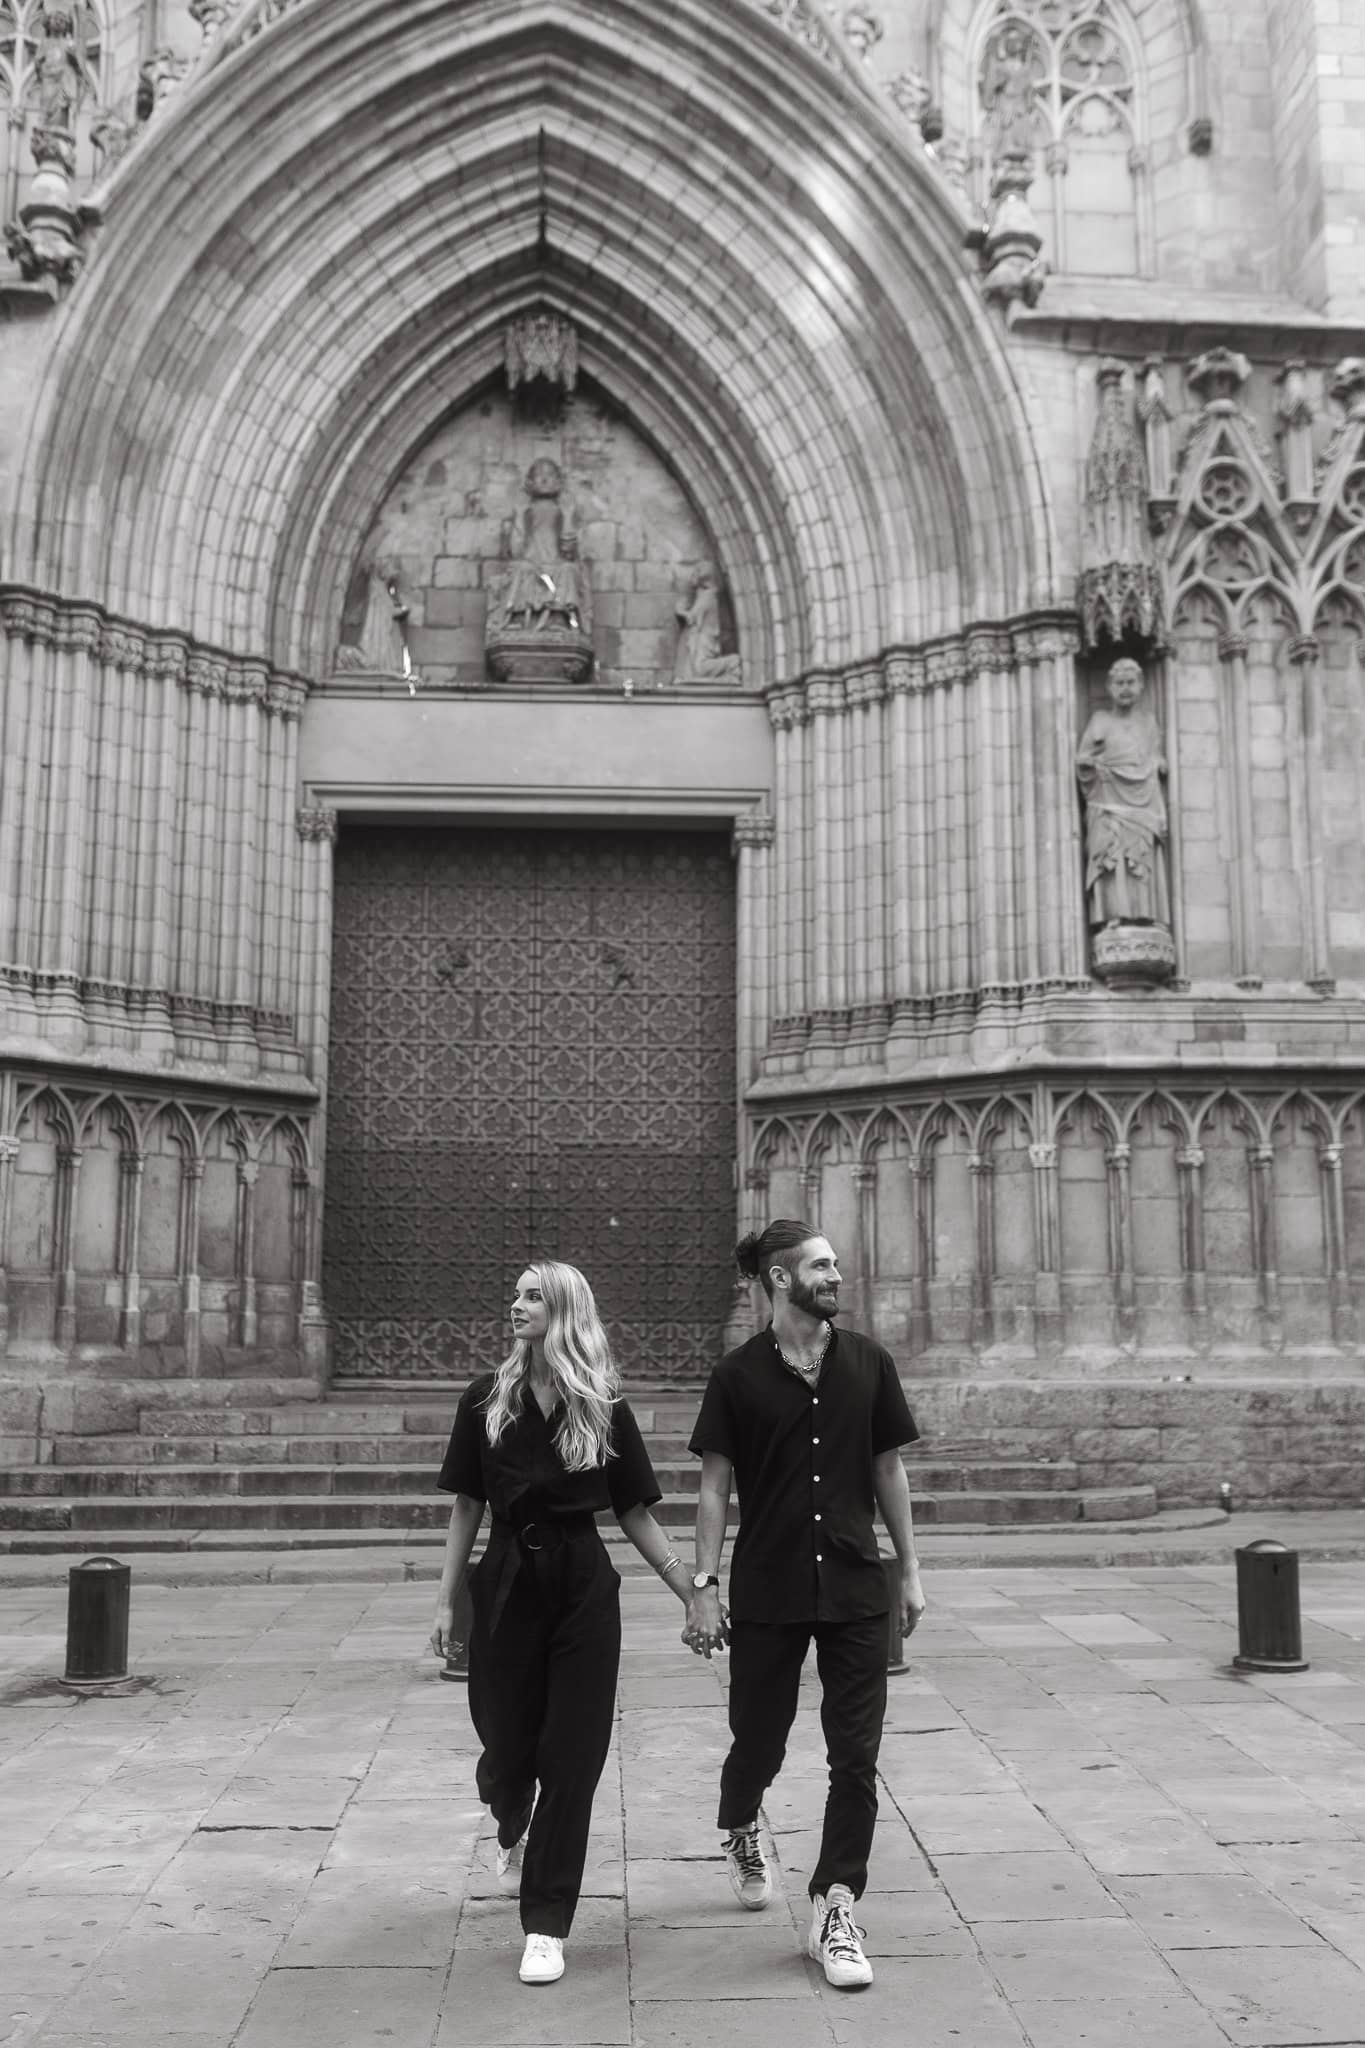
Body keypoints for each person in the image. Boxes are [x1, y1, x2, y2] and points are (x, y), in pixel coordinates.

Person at [431, 1261, 691, 1986]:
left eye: (531, 1296)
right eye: (513, 1293)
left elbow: (635, 1508)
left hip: (581, 1584)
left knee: (572, 1759)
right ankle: (508, 1804)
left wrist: (688, 1589)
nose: (514, 1305)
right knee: (506, 1743)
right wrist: (447, 1597)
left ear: (565, 1310)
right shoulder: (485, 1397)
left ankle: (545, 1923)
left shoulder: (602, 1403)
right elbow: (466, 1506)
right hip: (506, 1580)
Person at [683, 1221, 924, 1990]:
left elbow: (887, 1469)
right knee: (758, 1740)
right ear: (780, 1280)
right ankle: (740, 1823)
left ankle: (834, 1904)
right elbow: (715, 1486)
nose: (836, 1274)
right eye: (821, 1266)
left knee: (855, 1756)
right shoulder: (737, 1376)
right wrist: (704, 1585)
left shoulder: (868, 1364)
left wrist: (910, 1569)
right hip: (769, 1587)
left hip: (856, 1586)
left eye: (835, 1263)